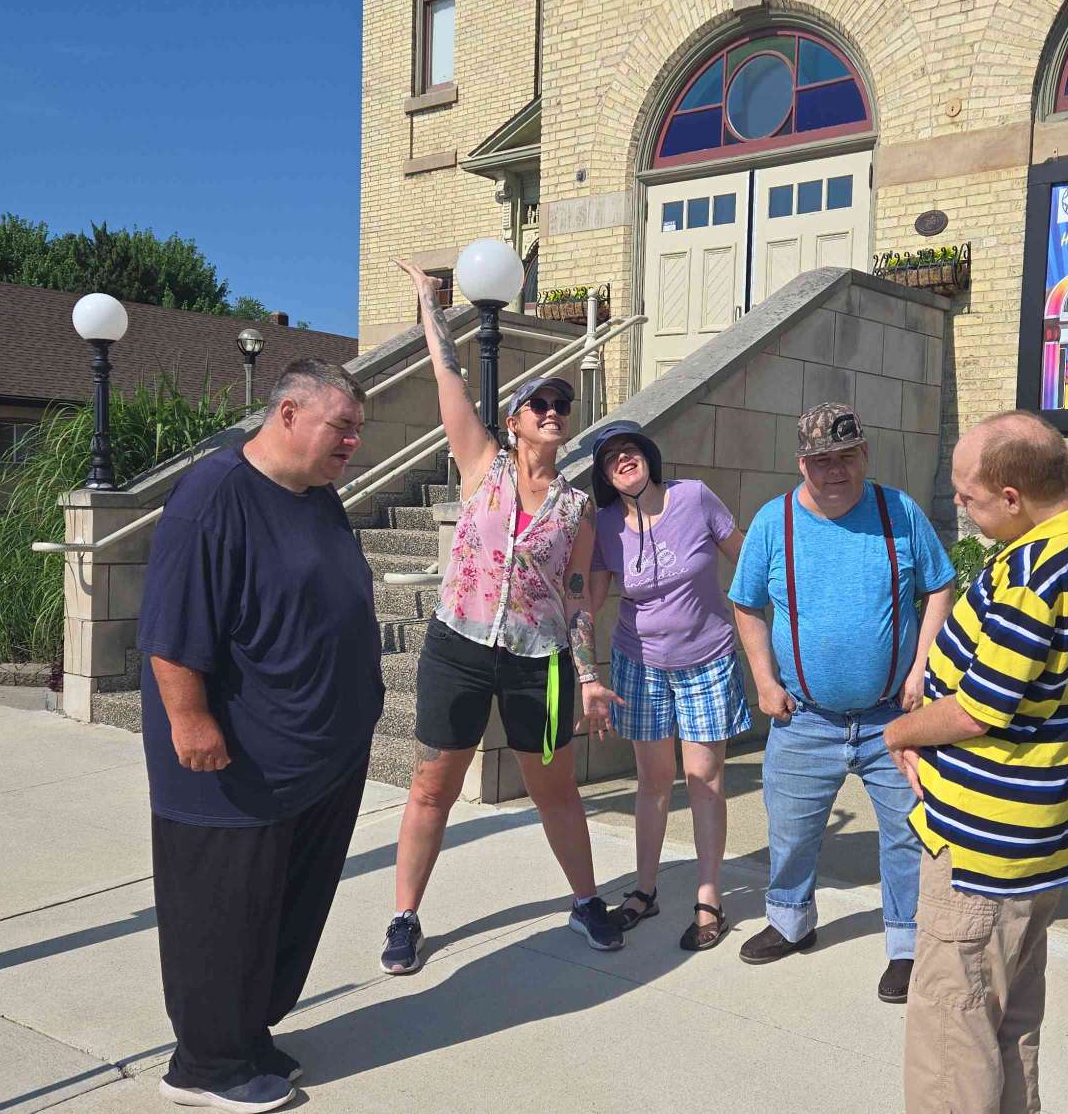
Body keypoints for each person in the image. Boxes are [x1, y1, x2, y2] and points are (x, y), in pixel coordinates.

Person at [137, 358, 384, 1113]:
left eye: (356, 432)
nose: (352, 444)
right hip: (236, 761)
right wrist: (190, 718)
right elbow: (171, 633)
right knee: (221, 913)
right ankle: (205, 1066)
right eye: (341, 427)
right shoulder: (212, 497)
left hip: (316, 758)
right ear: (286, 414)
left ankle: (246, 1036)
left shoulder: (318, 499)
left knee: (282, 909)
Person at [381, 258, 624, 975]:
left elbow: (578, 599)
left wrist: (587, 677)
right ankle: (404, 915)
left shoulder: (579, 508)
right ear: (514, 422)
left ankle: (585, 901)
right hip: (456, 646)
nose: (552, 414)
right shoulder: (480, 464)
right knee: (434, 785)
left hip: (537, 662)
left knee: (553, 788)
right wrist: (429, 303)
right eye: (538, 406)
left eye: (561, 407)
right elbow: (448, 378)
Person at [884, 410, 1068, 1114]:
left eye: (969, 494)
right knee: (1007, 1024)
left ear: (1013, 496)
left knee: (953, 1037)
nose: (957, 503)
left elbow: (981, 708)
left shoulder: (1037, 575)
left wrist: (900, 734)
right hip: (1031, 838)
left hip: (983, 847)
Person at [728, 402, 957, 1004]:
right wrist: (765, 681)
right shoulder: (772, 523)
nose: (835, 471)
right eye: (821, 460)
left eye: (846, 457)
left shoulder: (898, 512)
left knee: (908, 831)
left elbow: (938, 586)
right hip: (804, 717)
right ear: (802, 462)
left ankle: (906, 945)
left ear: (865, 455)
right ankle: (789, 921)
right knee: (792, 828)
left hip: (894, 716)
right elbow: (747, 604)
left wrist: (921, 666)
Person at [584, 422, 752, 951]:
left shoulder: (694, 497)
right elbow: (587, 600)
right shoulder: (606, 524)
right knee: (653, 780)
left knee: (703, 777)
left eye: (630, 450)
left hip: (707, 656)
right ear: (607, 478)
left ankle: (708, 899)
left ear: (648, 458)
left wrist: (782, 619)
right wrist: (581, 667)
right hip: (640, 663)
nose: (623, 459)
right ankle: (645, 889)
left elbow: (746, 560)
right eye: (611, 458)